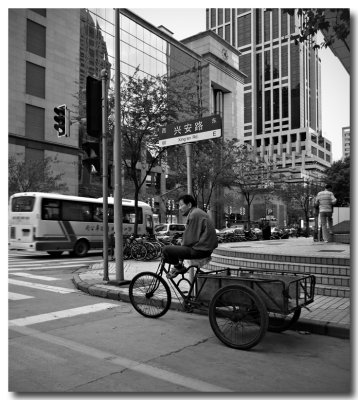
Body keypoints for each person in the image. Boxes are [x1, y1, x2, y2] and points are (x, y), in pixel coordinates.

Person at [163, 194, 218, 278]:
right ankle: (178, 267)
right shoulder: (197, 212)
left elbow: (190, 239)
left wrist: (181, 241)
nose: (179, 208)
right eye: (179, 206)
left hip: (200, 250)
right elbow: (190, 237)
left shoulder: (194, 215)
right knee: (179, 246)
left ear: (189, 205)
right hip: (204, 248)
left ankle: (178, 267)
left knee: (166, 249)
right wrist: (181, 242)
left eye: (181, 205)